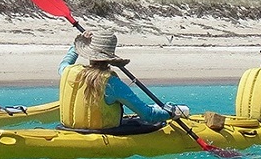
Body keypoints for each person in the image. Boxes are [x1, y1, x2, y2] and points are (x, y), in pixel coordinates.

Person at [58, 30, 187, 131]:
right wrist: (170, 112)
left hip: (70, 129)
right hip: (103, 131)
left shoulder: (68, 71)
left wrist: (76, 46)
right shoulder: (112, 84)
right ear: (110, 58)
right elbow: (148, 115)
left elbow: (64, 63)